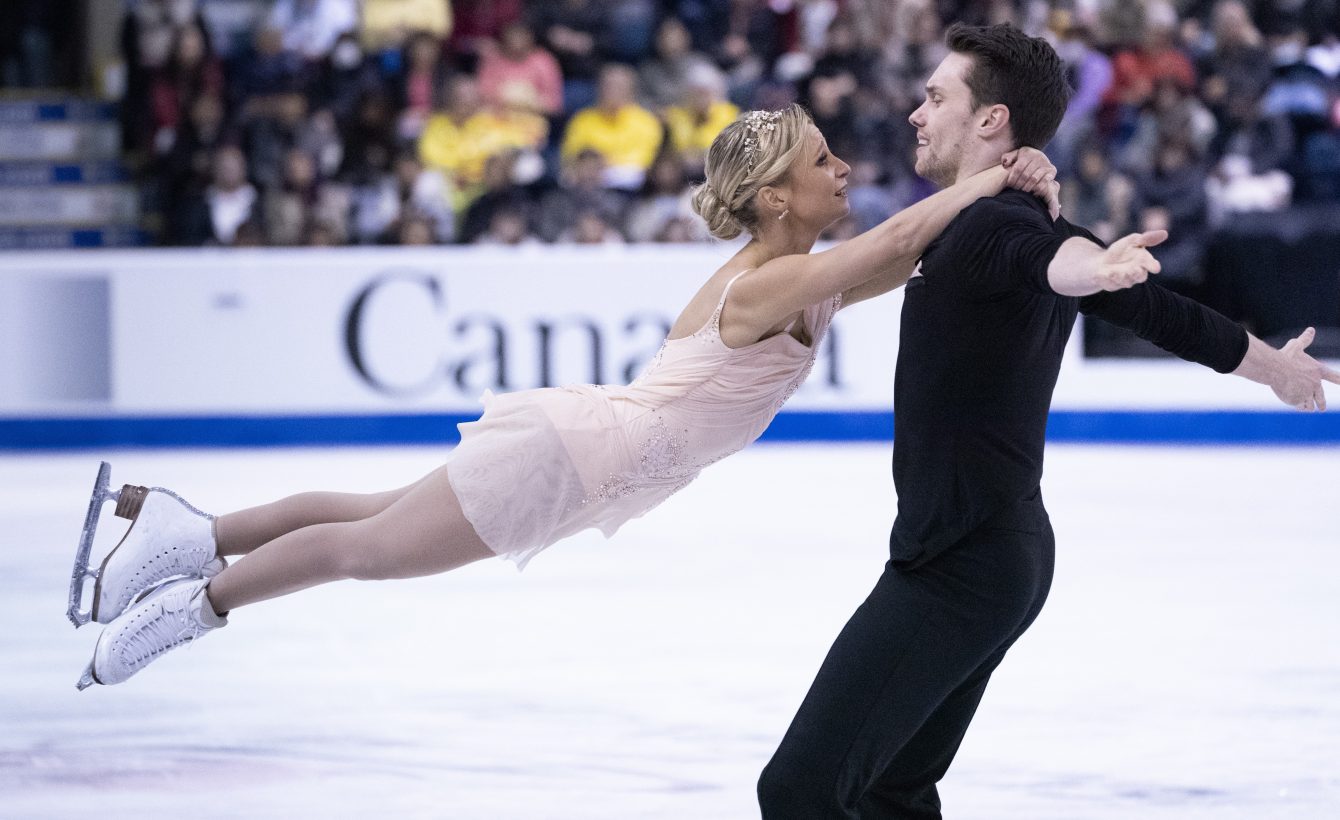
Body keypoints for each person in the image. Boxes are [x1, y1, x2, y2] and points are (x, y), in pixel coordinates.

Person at [71, 104, 1063, 689]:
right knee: (364, 549)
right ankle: (194, 605)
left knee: (367, 515)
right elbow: (894, 243)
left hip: (590, 454)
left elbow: (907, 257)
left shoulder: (808, 278)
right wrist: (981, 184)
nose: (842, 167)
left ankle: (182, 531)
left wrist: (1010, 175)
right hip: (578, 451)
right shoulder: (765, 281)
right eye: (820, 163)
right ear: (773, 199)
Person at [756, 24, 1340, 818]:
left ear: (990, 120)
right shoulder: (1000, 214)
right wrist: (1272, 366)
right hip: (994, 555)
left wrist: (1091, 268)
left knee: (799, 790)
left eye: (935, 97)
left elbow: (1060, 268)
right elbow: (1150, 306)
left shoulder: (1003, 229)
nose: (915, 115)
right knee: (892, 790)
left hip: (961, 567)